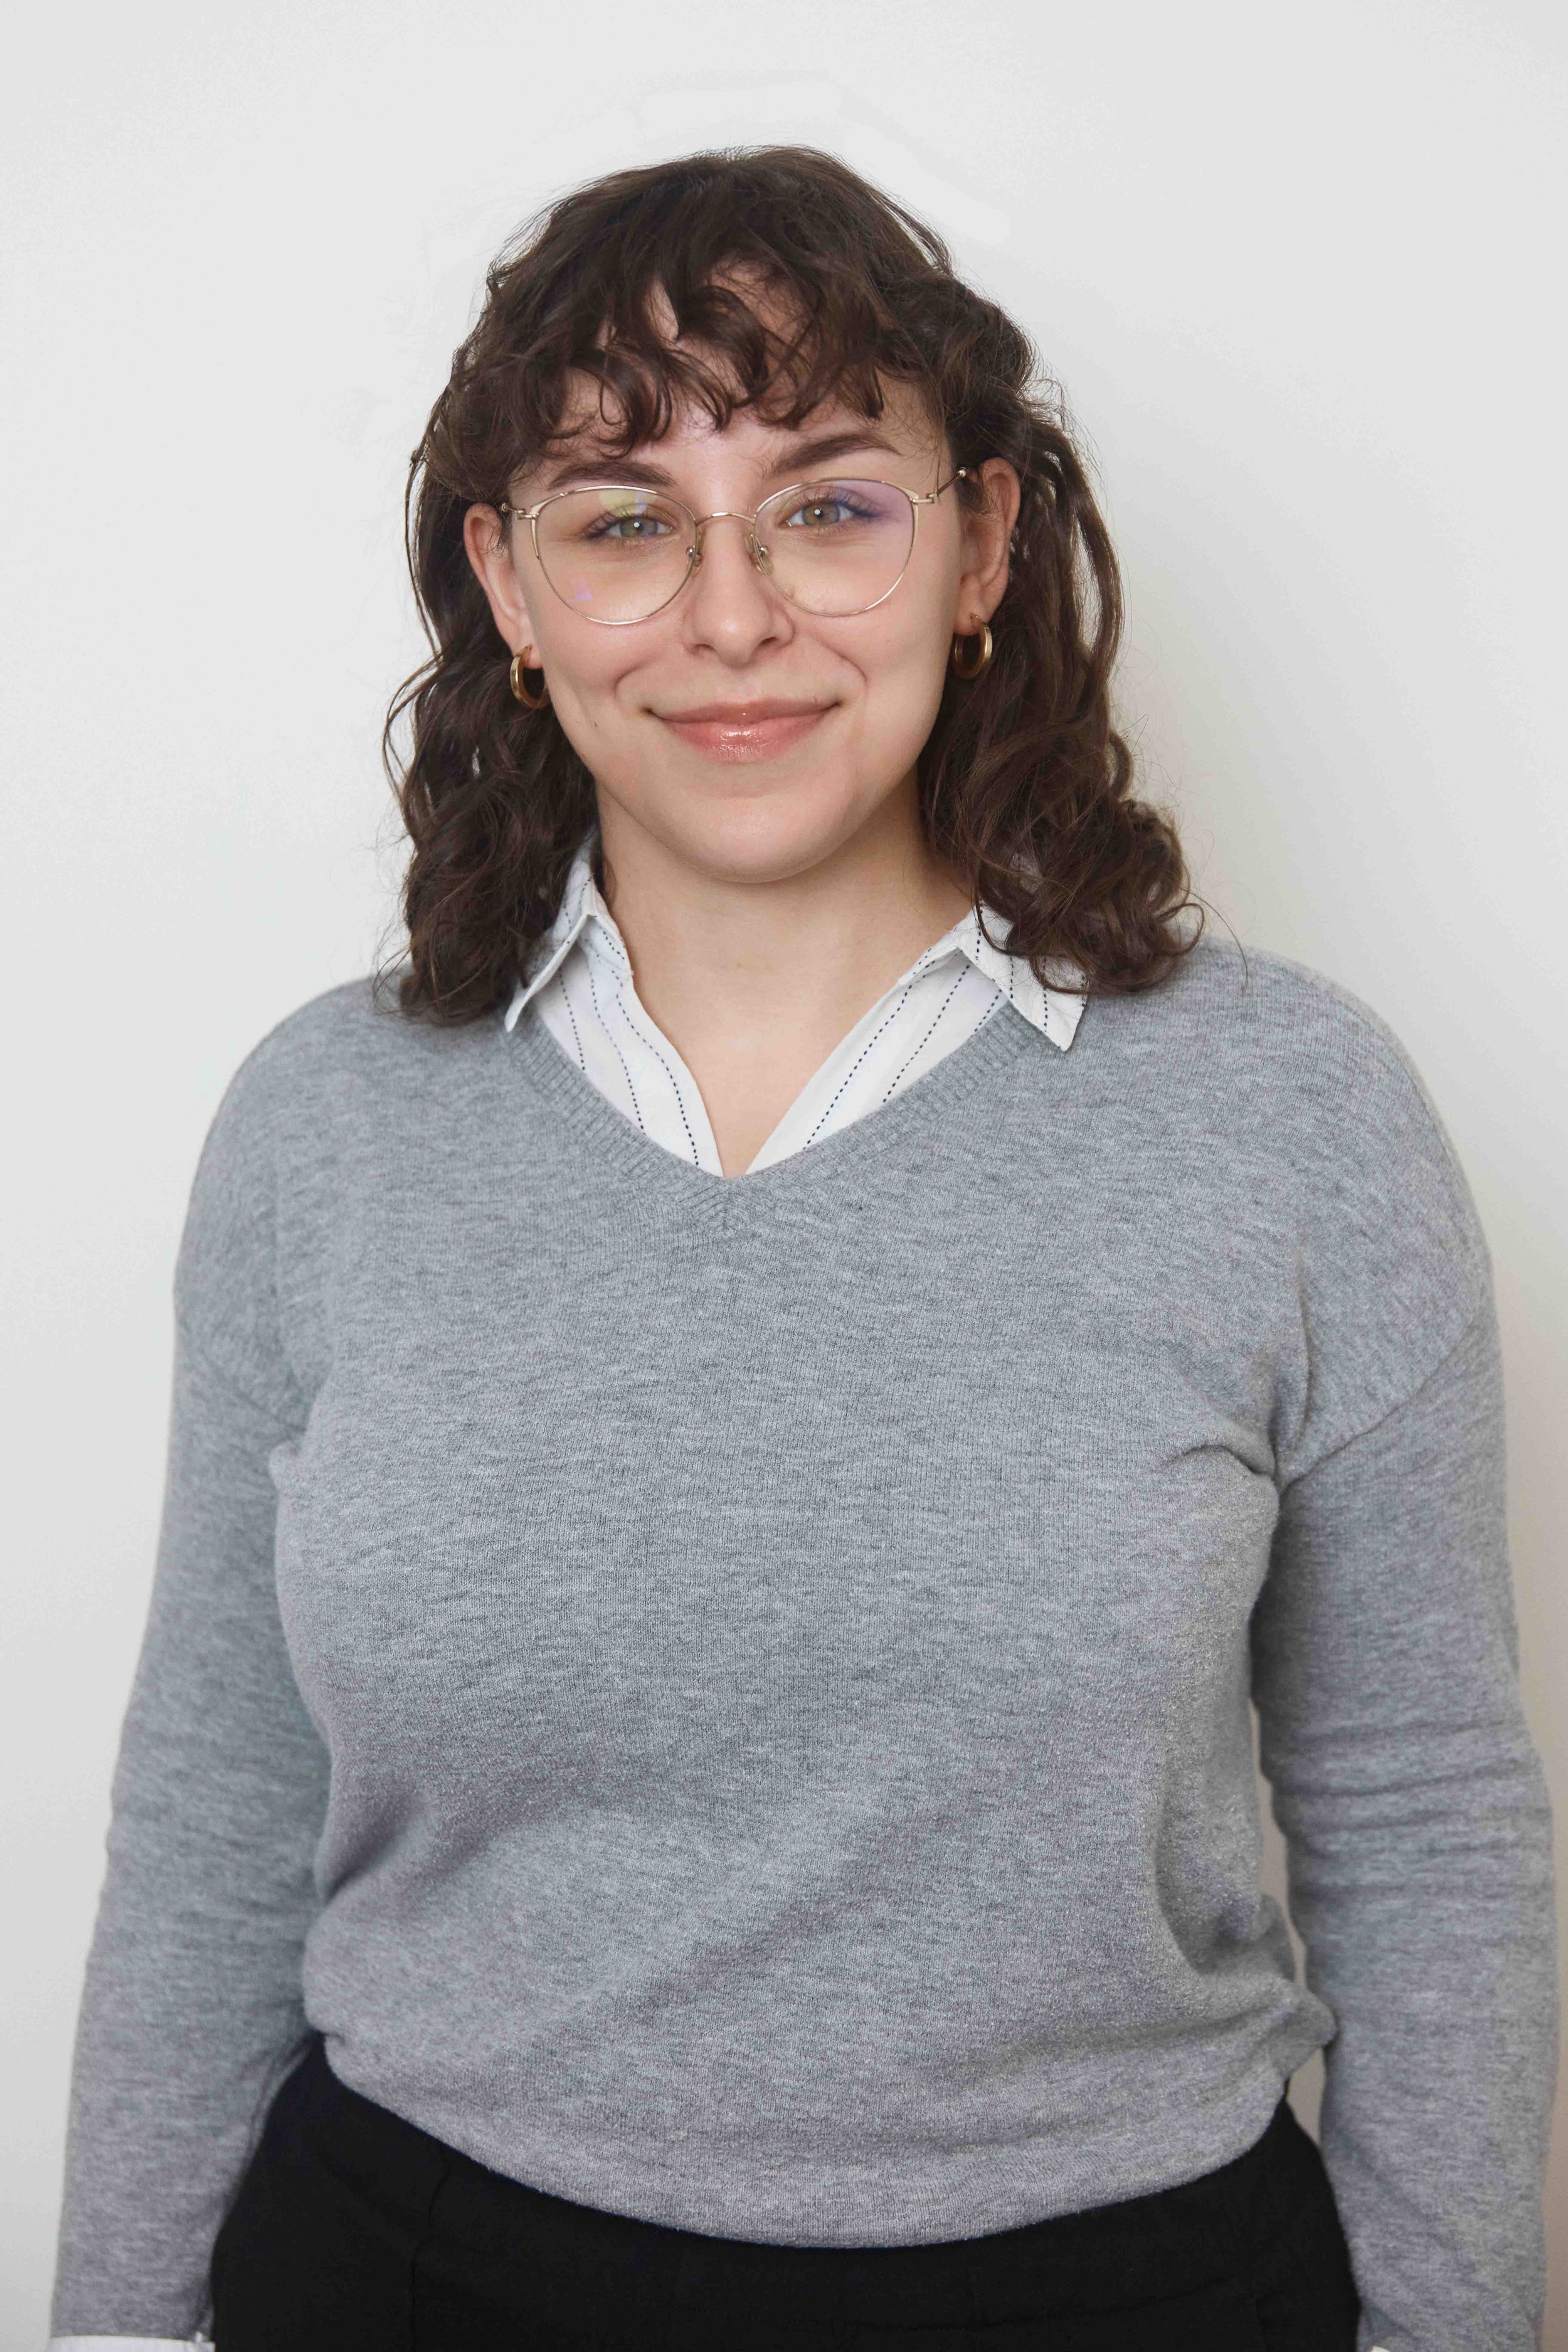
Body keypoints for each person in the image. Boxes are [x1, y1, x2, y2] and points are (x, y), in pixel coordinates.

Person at [48, 146, 1556, 2352]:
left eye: (831, 504)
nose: (729, 614)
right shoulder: (325, 1122)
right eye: (623, 519)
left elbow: (1425, 1833)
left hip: (1121, 2295)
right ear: (510, 583)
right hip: (401, 2276)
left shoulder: (1296, 1119)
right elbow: (215, 1807)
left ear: (981, 548)